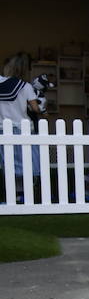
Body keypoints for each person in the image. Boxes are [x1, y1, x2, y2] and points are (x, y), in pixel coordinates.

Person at [1, 57, 41, 197]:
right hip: (21, 128)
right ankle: (26, 194)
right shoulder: (26, 86)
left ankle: (14, 194)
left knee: (9, 164)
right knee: (27, 163)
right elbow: (36, 108)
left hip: (2, 129)